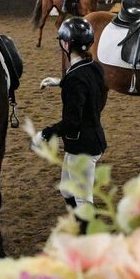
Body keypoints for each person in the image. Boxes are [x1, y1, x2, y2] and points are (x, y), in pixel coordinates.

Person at [39, 17, 107, 231]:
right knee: (67, 190)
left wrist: (46, 133)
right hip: (90, 139)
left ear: (67, 44)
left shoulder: (75, 78)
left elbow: (71, 123)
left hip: (82, 145)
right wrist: (61, 82)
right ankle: (80, 227)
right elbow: (87, 86)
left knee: (83, 199)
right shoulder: (94, 67)